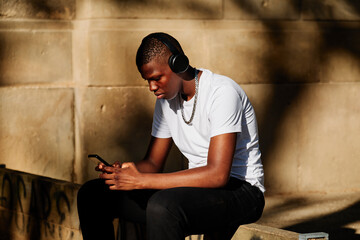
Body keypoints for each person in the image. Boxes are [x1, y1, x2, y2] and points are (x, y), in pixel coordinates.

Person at [77, 32, 265, 240]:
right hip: (199, 189)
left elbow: (217, 174)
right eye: (147, 80)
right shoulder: (165, 102)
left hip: (242, 191)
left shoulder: (222, 92)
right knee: (93, 195)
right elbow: (152, 163)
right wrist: (125, 173)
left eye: (157, 78)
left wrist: (142, 181)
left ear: (178, 65)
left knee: (163, 207)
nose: (152, 87)